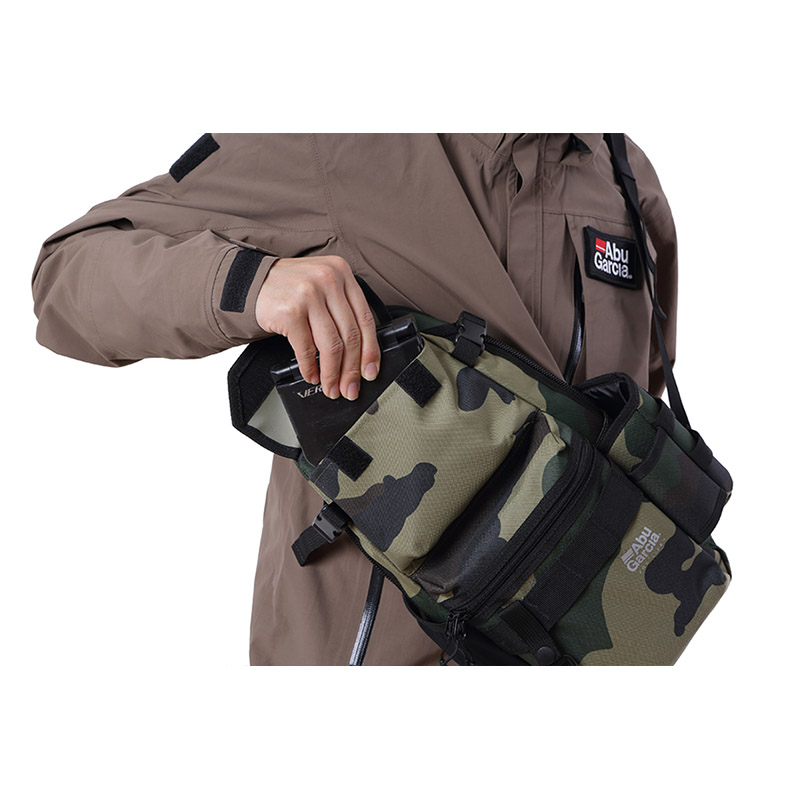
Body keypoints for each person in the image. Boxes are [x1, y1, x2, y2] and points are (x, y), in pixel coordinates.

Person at [31, 133, 678, 666]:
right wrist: (252, 283)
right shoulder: (338, 139)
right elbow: (69, 271)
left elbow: (640, 401)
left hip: (587, 645)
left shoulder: (622, 174)